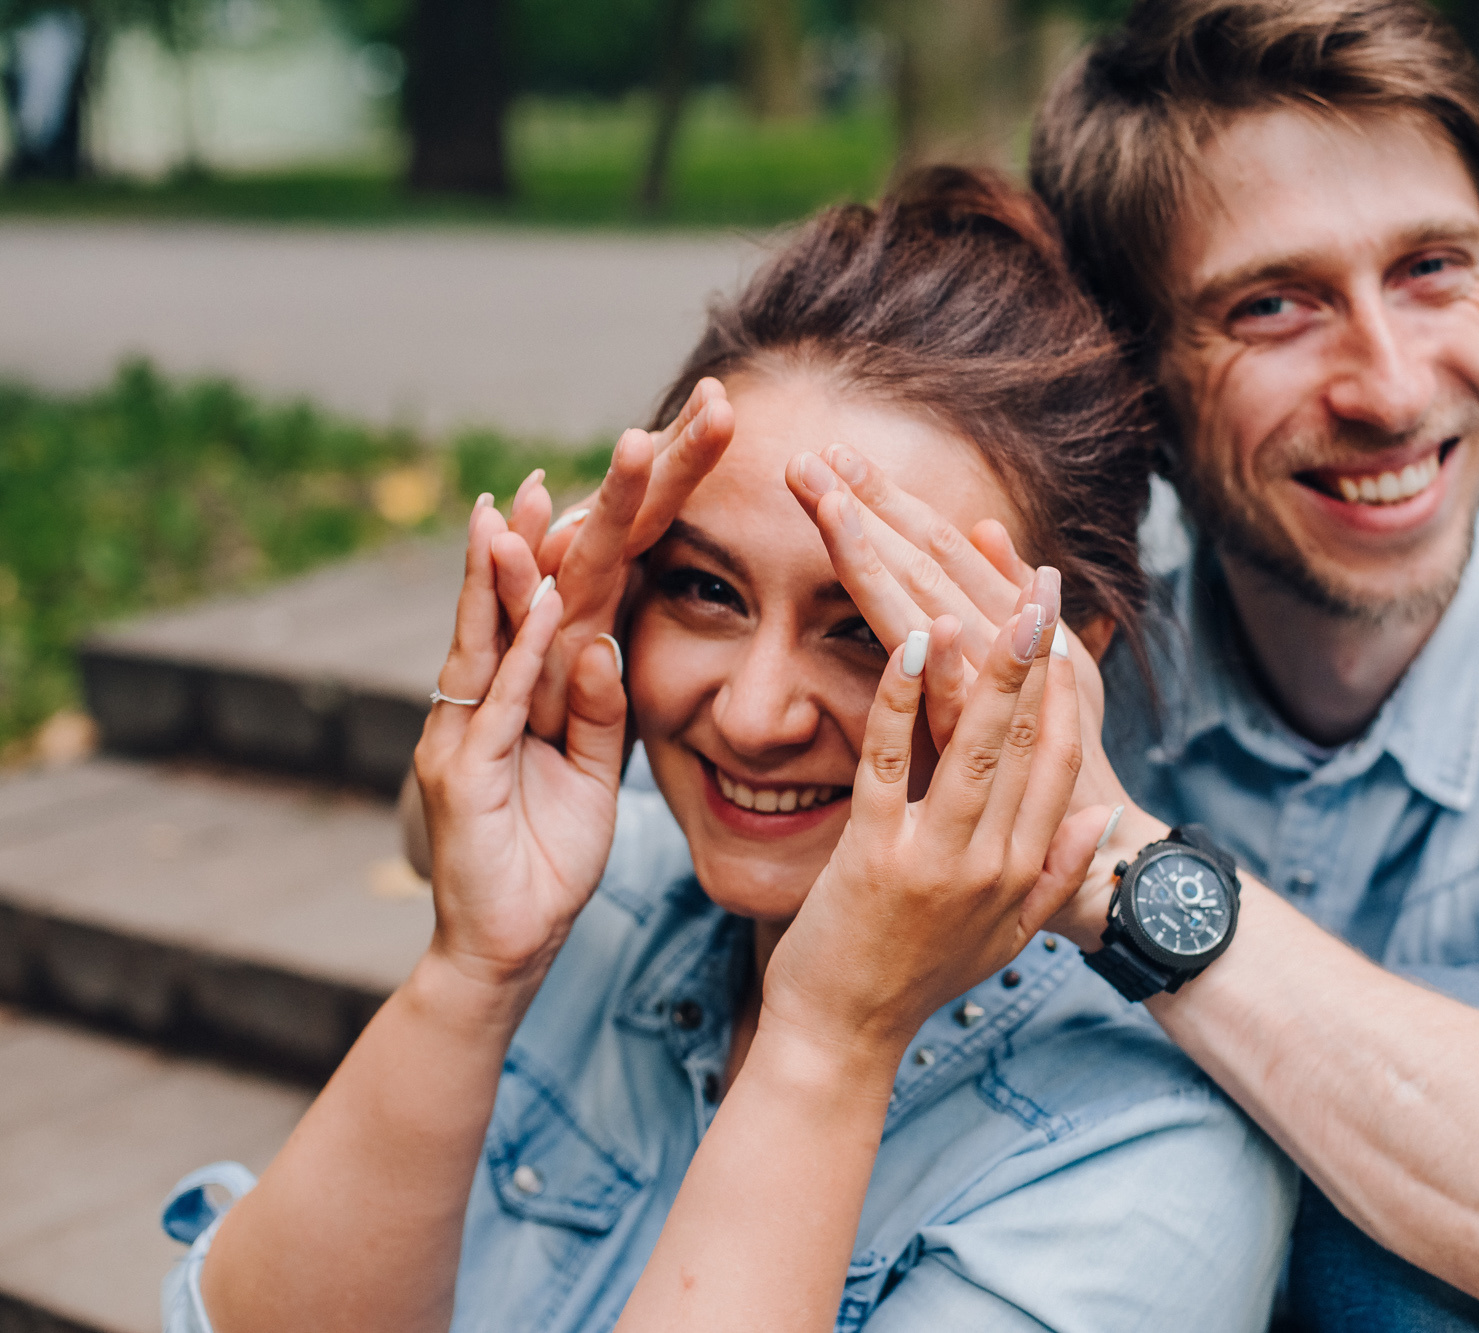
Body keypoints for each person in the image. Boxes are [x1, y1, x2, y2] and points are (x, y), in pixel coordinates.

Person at [766, 3, 1479, 1330]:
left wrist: (1114, 866)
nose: (1387, 386)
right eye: (1274, 305)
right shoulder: (1060, 622)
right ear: (1136, 379)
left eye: (1434, 269)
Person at [159, 169, 1295, 1331]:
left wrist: (828, 1045)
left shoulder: (1144, 1179)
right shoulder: (601, 900)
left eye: (867, 628)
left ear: (1062, 668)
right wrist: (473, 965)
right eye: (705, 589)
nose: (753, 716)